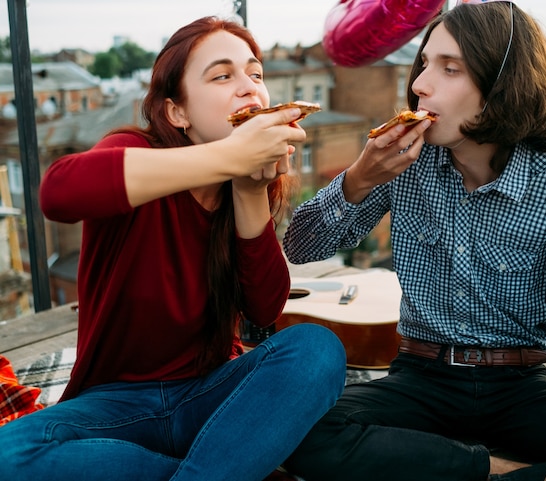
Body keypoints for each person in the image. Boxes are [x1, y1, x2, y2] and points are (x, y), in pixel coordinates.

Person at [281, 2, 546, 481]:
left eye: (449, 68)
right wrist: (357, 179)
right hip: (420, 379)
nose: (421, 82)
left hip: (518, 385)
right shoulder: (405, 160)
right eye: (425, 63)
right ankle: (491, 469)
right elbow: (299, 248)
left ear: (503, 84)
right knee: (290, 431)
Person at [0, 16, 346, 481]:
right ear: (177, 112)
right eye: (223, 75)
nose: (249, 88)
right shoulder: (134, 151)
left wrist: (246, 191)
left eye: (256, 74)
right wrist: (226, 157)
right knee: (9, 452)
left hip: (211, 396)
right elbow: (57, 193)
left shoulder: (246, 186)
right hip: (113, 407)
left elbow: (265, 309)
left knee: (317, 348)